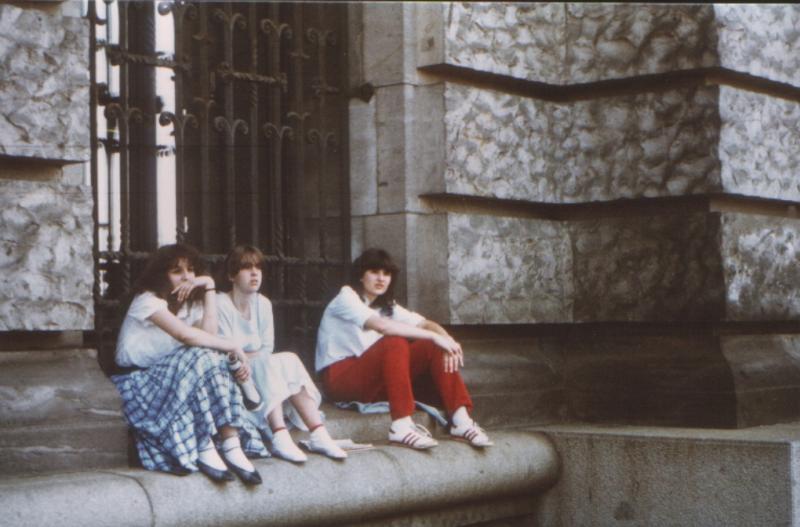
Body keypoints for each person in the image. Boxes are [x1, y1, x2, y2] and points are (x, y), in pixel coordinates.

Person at [112, 243, 266, 485]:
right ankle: (205, 445)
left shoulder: (189, 305)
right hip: (139, 384)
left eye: (191, 270)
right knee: (201, 353)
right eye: (177, 271)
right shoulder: (147, 300)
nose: (186, 277)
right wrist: (233, 346)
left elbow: (209, 334)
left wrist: (209, 285)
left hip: (174, 383)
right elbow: (185, 335)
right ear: (161, 275)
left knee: (210, 355)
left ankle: (231, 444)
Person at [315, 248, 492, 450]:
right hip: (341, 380)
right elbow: (383, 327)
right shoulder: (346, 297)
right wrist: (435, 336)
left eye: (386, 273)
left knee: (432, 345)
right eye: (374, 271)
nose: (381, 278)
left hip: (373, 382)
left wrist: (447, 339)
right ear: (361, 276)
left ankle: (461, 421)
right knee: (395, 341)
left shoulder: (387, 306)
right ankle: (401, 426)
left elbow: (425, 324)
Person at [217, 245, 347, 462]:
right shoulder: (221, 303)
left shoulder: (263, 304)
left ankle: (318, 433)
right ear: (231, 275)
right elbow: (224, 348)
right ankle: (279, 435)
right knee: (268, 363)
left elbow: (267, 347)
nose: (255, 273)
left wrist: (251, 356)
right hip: (234, 376)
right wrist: (249, 357)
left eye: (258, 267)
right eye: (246, 267)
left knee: (289, 358)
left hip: (259, 373)